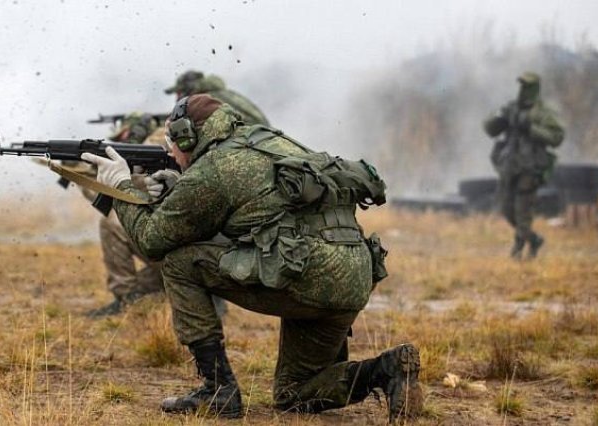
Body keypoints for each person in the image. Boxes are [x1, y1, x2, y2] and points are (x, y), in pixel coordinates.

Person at [82, 94, 421, 421]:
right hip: (352, 278)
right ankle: (385, 370)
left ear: (188, 137)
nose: (172, 151)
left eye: (174, 142)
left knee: (180, 262)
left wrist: (121, 188)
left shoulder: (215, 168)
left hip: (304, 274)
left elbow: (152, 240)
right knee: (295, 393)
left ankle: (218, 389)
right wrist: (178, 187)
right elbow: (254, 206)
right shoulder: (271, 141)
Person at [85, 112, 164, 317]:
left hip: (181, 248)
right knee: (146, 282)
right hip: (189, 248)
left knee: (110, 224)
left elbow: (128, 193)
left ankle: (125, 299)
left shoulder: (159, 141)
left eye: (125, 136)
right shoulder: (170, 139)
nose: (122, 142)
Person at [484, 72, 565, 259]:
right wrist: (499, 119)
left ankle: (519, 247)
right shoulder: (512, 108)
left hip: (530, 168)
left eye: (527, 86)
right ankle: (534, 239)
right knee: (506, 209)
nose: (522, 90)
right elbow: (489, 128)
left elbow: (557, 137)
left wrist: (531, 127)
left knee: (523, 211)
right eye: (521, 85)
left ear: (535, 88)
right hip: (509, 166)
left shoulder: (543, 112)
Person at [164, 70, 271, 126]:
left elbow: (180, 123)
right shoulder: (222, 95)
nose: (177, 98)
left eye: (179, 93)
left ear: (188, 90)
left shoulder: (207, 100)